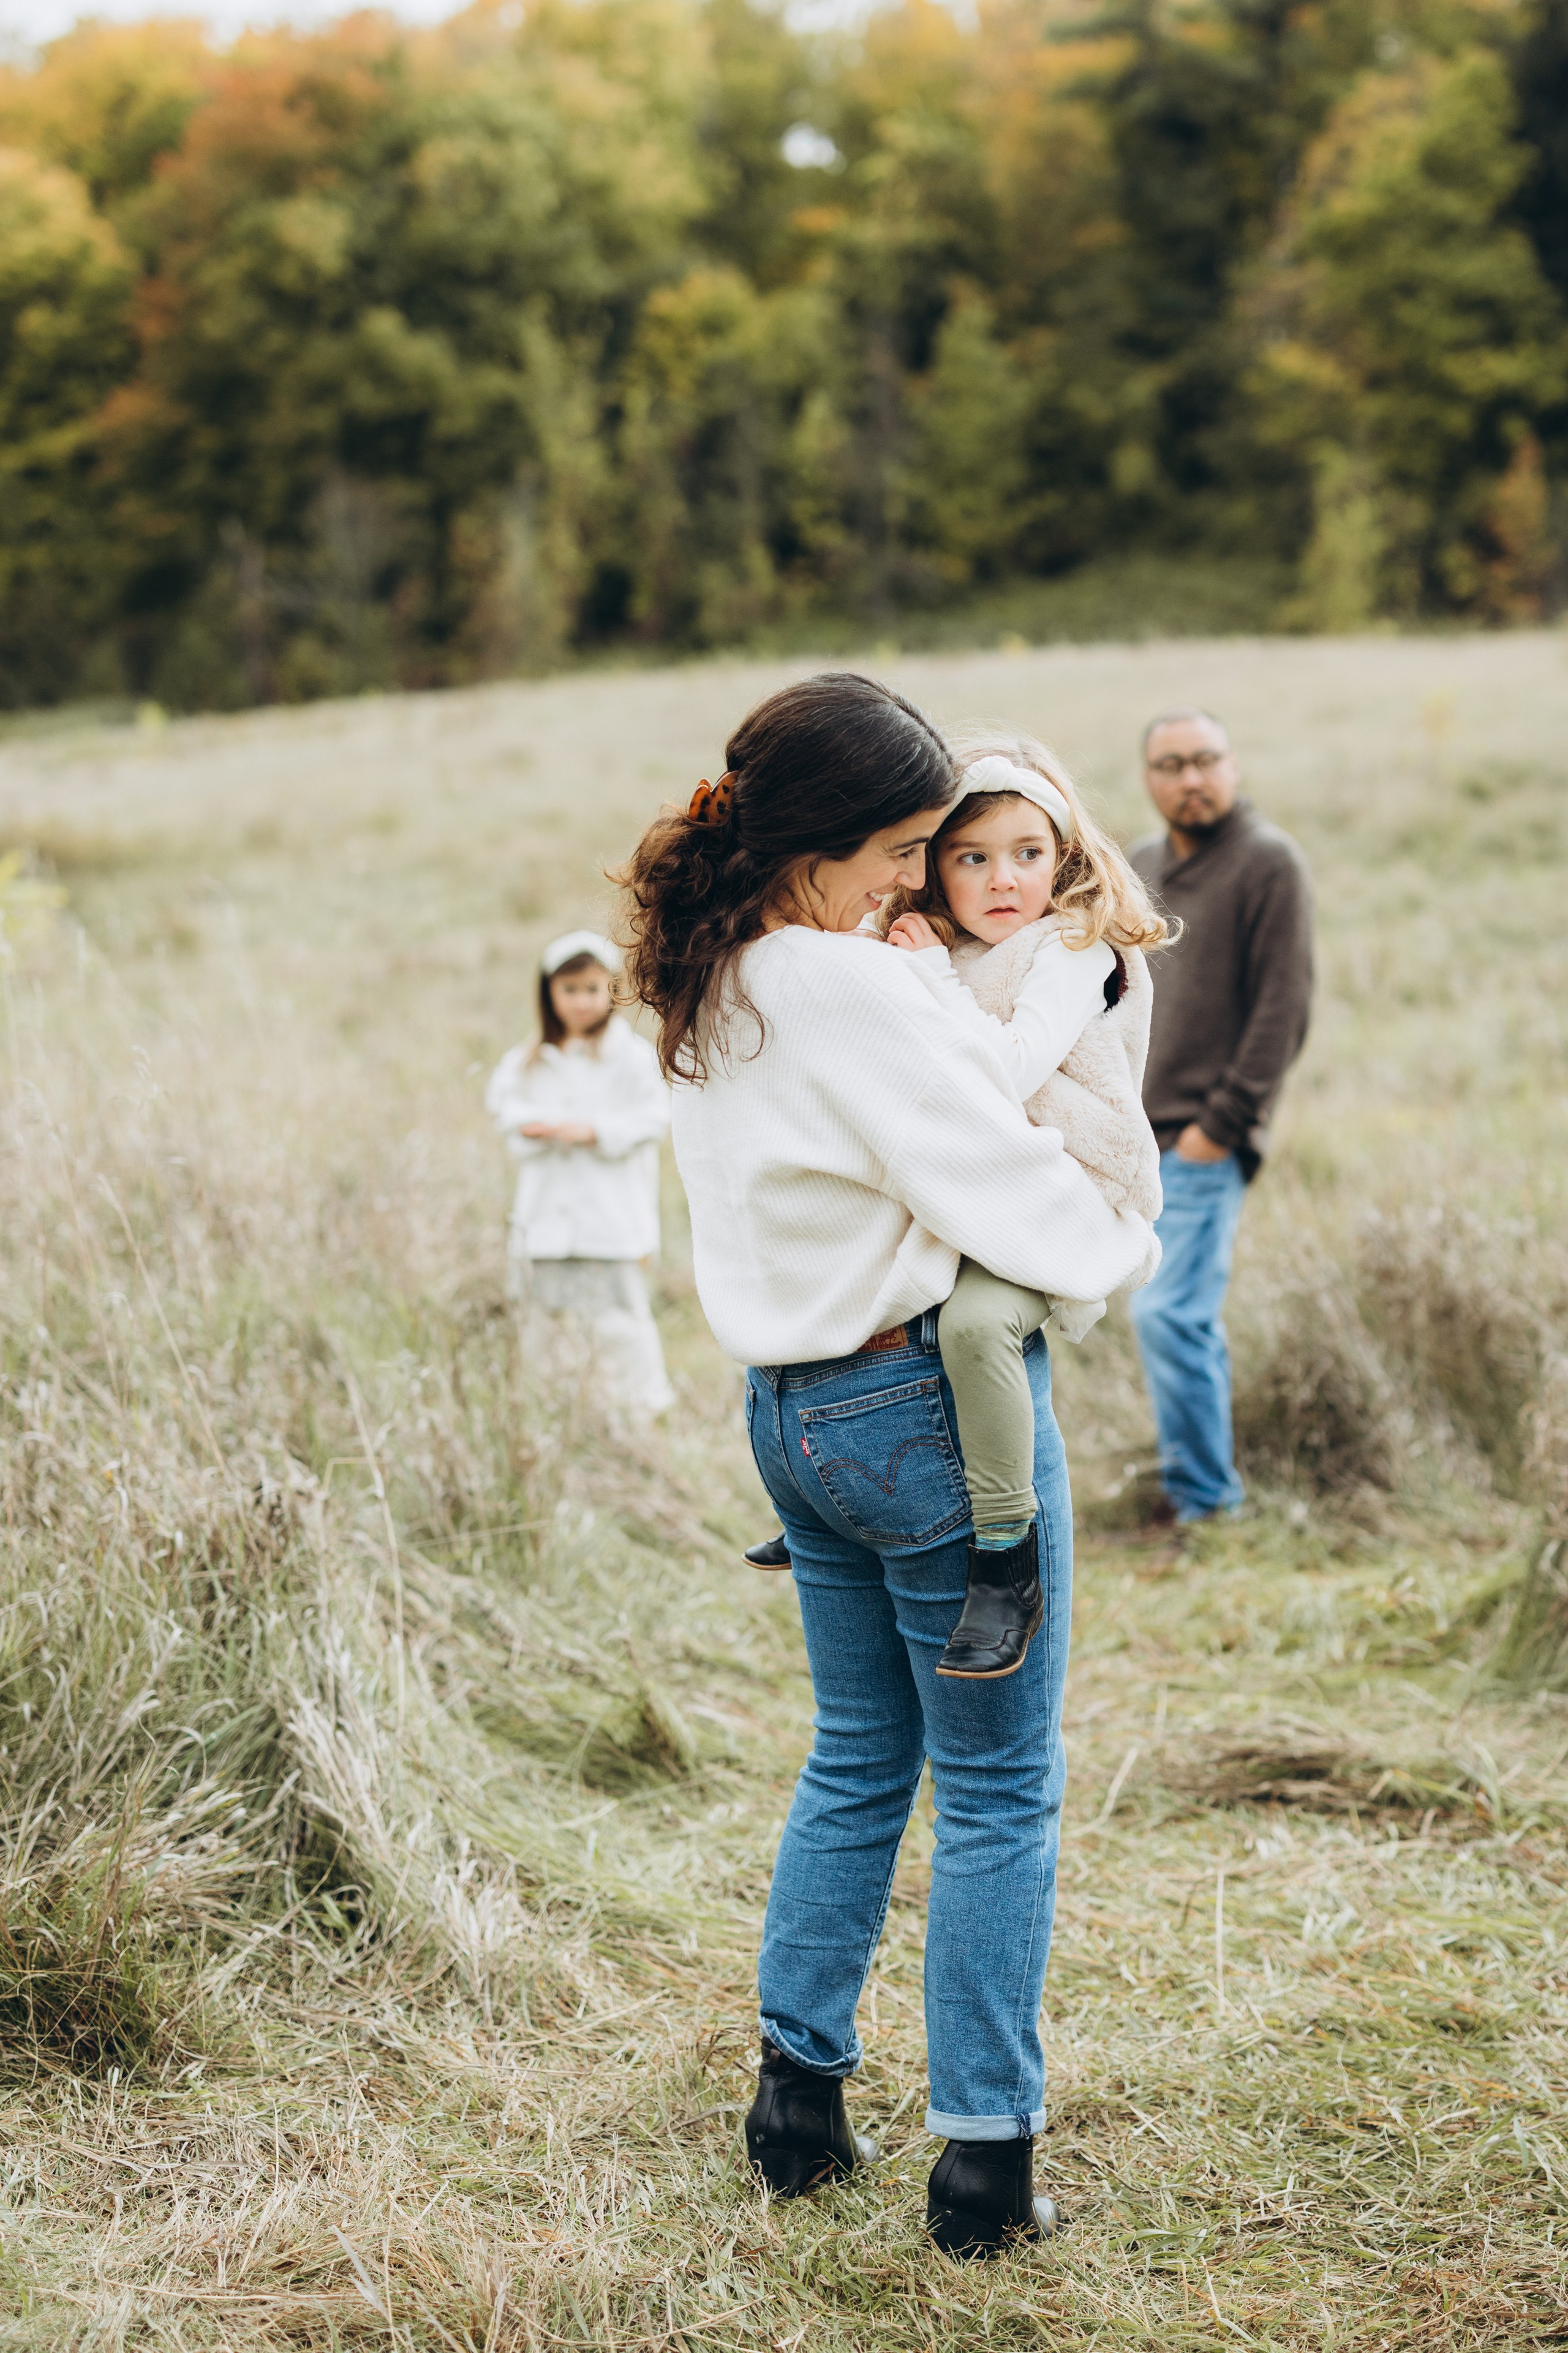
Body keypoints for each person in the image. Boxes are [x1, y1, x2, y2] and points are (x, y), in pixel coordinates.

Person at [619, 673, 1158, 2259]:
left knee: (858, 1757)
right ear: (824, 835)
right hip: (922, 1409)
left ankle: (798, 2104)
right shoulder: (846, 987)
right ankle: (986, 2166)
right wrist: (1116, 1241)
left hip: (791, 1418)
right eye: (906, 848)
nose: (915, 882)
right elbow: (1000, 1179)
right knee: (998, 1786)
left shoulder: (709, 972)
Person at [744, 738, 1167, 1686]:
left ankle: (1004, 1555)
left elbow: (1007, 1071)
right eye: (971, 856)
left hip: (1068, 1188)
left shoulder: (1068, 946)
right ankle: (833, 1493)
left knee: (975, 1326)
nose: (1004, 878)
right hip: (978, 1187)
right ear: (933, 865)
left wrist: (928, 978)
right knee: (878, 1279)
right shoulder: (927, 943)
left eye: (1027, 852)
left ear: (1064, 856)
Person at [1128, 708, 1314, 1525]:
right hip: (1132, 1141)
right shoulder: (1137, 865)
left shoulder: (1269, 863)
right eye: (1171, 765)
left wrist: (1221, 1130)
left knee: (1171, 1314)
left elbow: (1284, 1009)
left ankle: (1208, 1506)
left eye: (1206, 760)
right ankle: (1185, 1485)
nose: (1191, 779)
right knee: (1164, 1319)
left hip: (1202, 1138)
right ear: (1149, 778)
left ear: (1232, 767)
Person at [484, 930, 674, 1419]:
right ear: (549, 993)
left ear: (611, 989)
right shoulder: (530, 1059)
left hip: (608, 1220)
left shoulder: (630, 1057)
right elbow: (502, 1105)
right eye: (569, 990)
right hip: (545, 1219)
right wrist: (536, 1127)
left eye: (593, 989)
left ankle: (640, 1409)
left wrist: (592, 1131)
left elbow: (654, 1116)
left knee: (618, 1321)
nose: (582, 1001)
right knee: (541, 1321)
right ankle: (550, 1408)